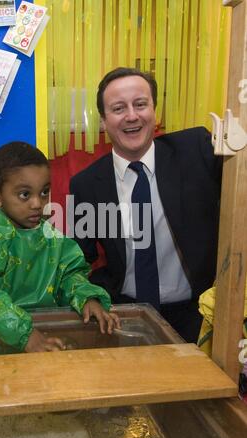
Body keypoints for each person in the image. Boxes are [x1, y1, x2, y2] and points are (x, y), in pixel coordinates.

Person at [70, 67, 222, 343]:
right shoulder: (86, 185)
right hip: (123, 314)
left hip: (198, 315)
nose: (131, 115)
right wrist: (88, 296)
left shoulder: (197, 150)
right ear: (103, 121)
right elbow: (77, 259)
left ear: (155, 112)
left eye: (140, 104)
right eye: (118, 108)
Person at [0, 142, 120, 353]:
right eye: (24, 195)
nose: (38, 204)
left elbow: (68, 273)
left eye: (44, 192)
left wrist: (87, 297)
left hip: (42, 340)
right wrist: (24, 333)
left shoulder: (48, 236)